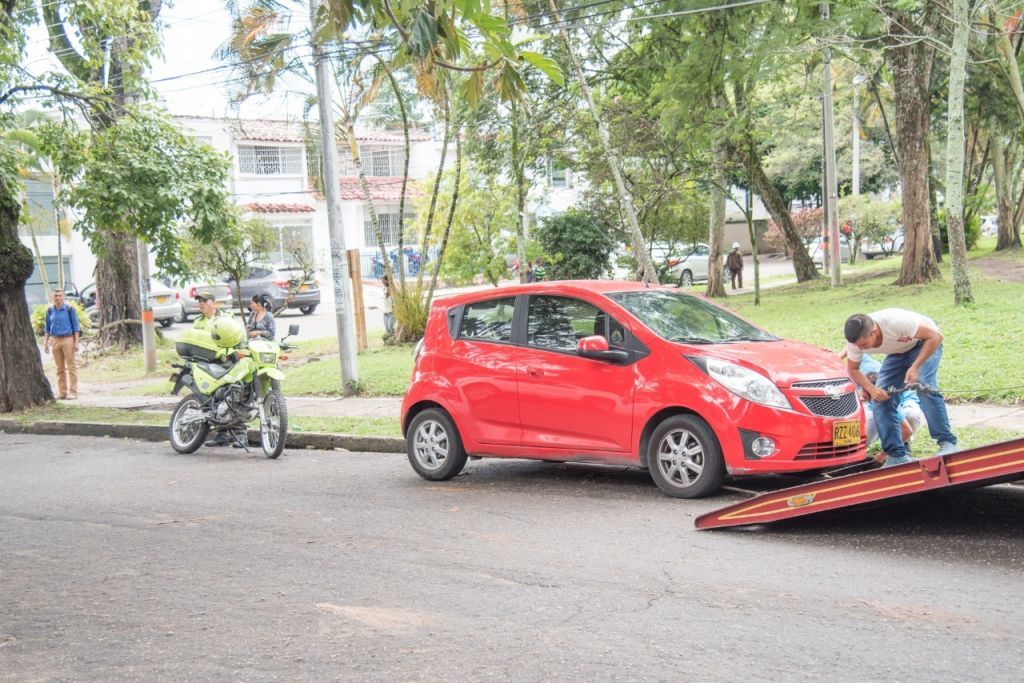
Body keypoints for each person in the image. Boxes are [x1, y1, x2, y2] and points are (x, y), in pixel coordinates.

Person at [844, 309, 957, 467]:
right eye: (858, 346)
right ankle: (897, 455)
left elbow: (936, 337)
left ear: (874, 332)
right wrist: (870, 388)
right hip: (897, 353)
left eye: (864, 345)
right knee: (880, 399)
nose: (861, 349)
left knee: (924, 386)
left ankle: (947, 443)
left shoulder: (896, 322)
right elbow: (853, 369)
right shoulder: (855, 342)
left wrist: (915, 366)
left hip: (924, 343)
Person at [43, 288, 81, 400]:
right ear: (52, 297)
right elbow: (47, 329)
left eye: (59, 295)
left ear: (63, 297)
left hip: (67, 339)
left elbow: (76, 327)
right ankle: (62, 392)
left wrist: (76, 342)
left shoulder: (69, 309)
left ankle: (73, 392)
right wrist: (45, 343)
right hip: (55, 340)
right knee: (59, 369)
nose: (58, 297)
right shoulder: (50, 311)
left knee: (71, 366)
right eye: (55, 296)